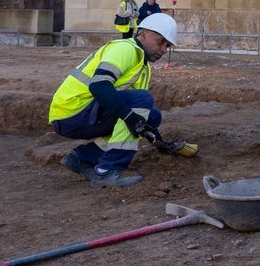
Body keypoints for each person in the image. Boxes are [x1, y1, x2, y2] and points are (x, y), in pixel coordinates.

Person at [49, 13, 178, 188]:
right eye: (161, 42)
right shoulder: (126, 49)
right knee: (141, 100)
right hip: (71, 111)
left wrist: (162, 143)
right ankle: (107, 170)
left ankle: (82, 159)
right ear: (144, 34)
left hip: (83, 113)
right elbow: (99, 86)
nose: (163, 49)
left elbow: (138, 112)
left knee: (152, 116)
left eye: (167, 45)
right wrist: (130, 118)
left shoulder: (142, 64)